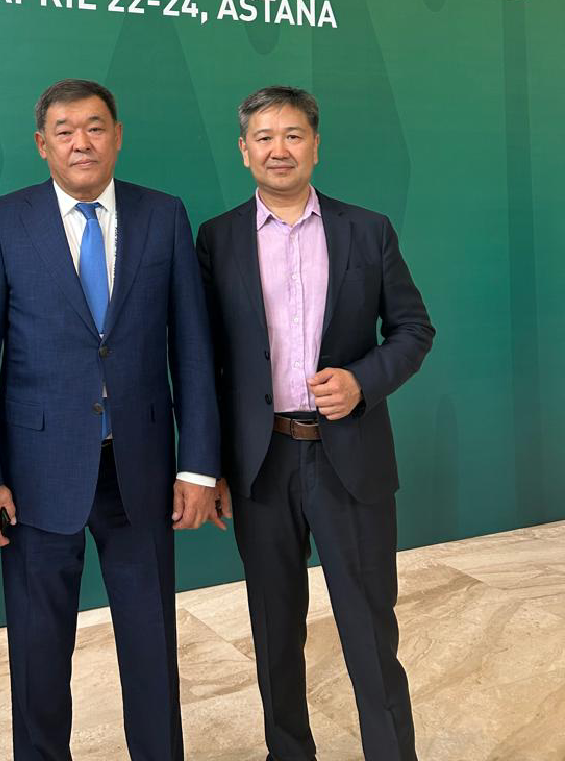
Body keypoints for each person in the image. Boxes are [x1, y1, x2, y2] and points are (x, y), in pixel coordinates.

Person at [0, 78, 221, 761]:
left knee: (151, 645)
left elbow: (192, 349)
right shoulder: (3, 221)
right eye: (65, 130)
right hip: (35, 474)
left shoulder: (163, 215)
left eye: (96, 127)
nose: (82, 142)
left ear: (118, 136)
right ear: (42, 144)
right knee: (38, 653)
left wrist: (197, 465)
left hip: (142, 470)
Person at [196, 85, 435, 761]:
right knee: (274, 629)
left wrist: (363, 380)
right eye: (264, 137)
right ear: (244, 151)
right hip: (260, 463)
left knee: (369, 628)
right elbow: (204, 360)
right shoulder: (216, 239)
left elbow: (413, 329)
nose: (279, 149)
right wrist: (209, 466)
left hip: (349, 458)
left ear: (315, 146)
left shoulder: (368, 229)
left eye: (293, 134)